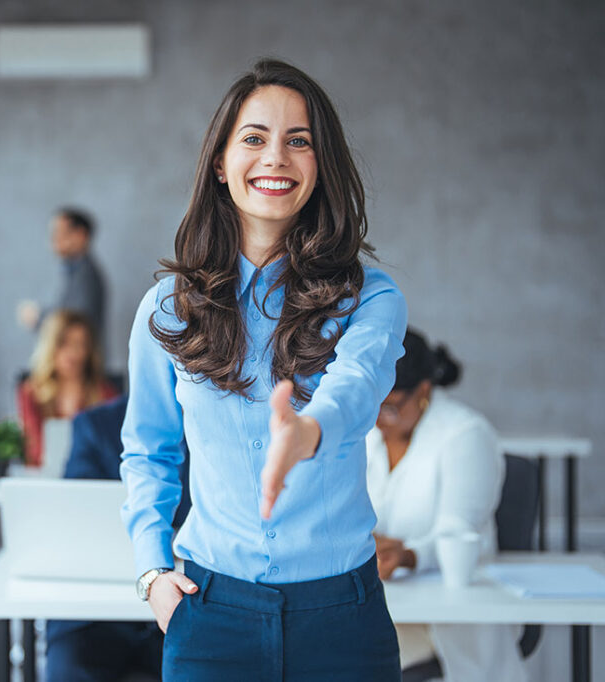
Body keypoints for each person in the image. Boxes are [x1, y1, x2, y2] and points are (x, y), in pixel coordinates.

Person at [120, 58, 408, 680]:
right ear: (221, 165)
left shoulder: (373, 297)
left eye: (298, 141)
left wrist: (309, 430)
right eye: (254, 138)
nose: (275, 157)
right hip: (208, 613)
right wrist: (151, 574)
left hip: (342, 619)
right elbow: (148, 451)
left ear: (321, 166)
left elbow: (356, 388)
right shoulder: (167, 309)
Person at [366, 328, 528, 682]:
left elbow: (458, 533)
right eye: (371, 405)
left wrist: (407, 555)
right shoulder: (369, 434)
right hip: (385, 605)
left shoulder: (465, 434)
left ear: (423, 392)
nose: (378, 419)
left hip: (446, 619)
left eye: (389, 407)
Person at [46, 395, 191, 682]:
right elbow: (77, 514)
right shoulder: (95, 424)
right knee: (69, 666)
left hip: (185, 605)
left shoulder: (213, 424)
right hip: (95, 613)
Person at [17, 310, 118, 467]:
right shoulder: (31, 392)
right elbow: (34, 450)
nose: (73, 353)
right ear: (51, 346)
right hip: (44, 481)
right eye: (64, 343)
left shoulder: (106, 394)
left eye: (80, 345)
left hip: (91, 482)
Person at [17, 207, 106, 341]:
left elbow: (75, 323)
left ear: (80, 235)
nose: (53, 239)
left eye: (59, 232)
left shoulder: (86, 276)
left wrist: (39, 317)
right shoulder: (74, 271)